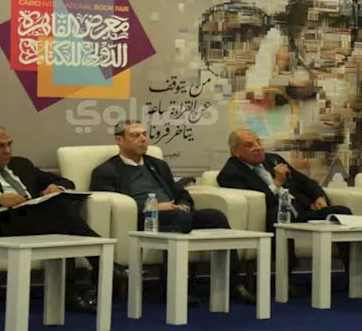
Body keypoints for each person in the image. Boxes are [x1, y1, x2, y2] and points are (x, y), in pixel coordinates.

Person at [89, 120, 256, 305]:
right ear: (119, 140)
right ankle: (172, 288)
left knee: (214, 216)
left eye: (144, 134)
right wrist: (152, 207)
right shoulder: (106, 171)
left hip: (175, 213)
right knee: (179, 218)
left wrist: (183, 205)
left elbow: (180, 193)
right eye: (135, 135)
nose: (143, 139)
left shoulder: (157, 165)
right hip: (141, 218)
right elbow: (110, 202)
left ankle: (234, 285)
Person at [0, 125, 101, 312]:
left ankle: (74, 289)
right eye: (0, 146)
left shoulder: (21, 164)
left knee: (60, 213)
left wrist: (57, 187)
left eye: (9, 144)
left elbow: (65, 181)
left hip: (37, 218)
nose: (7, 150)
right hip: (2, 221)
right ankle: (101, 266)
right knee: (60, 213)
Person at [217, 128, 352, 295]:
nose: (258, 147)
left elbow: (305, 182)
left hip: (301, 211)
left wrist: (319, 197)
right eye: (249, 145)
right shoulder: (230, 173)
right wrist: (277, 184)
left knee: (343, 213)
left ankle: (353, 276)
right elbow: (256, 204)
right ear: (235, 152)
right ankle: (285, 279)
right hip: (271, 217)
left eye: (258, 142)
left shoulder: (273, 160)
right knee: (278, 216)